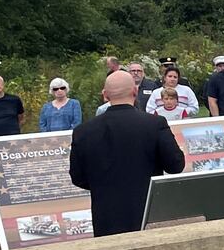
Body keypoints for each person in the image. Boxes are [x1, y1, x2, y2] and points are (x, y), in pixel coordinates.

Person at [69, 71, 186, 236]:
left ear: (105, 95)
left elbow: (77, 177)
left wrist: (103, 185)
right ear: (135, 92)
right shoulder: (154, 124)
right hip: (147, 212)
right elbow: (176, 165)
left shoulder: (83, 132)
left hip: (106, 215)